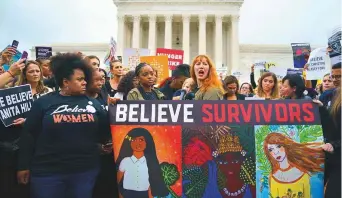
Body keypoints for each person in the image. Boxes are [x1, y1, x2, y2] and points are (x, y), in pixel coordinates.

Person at [17, 53, 111, 198]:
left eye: (85, 79)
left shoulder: (94, 104)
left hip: (84, 171)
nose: (85, 82)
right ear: (66, 82)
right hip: (47, 172)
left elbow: (105, 132)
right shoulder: (43, 103)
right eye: (79, 79)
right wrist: (23, 165)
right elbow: (29, 134)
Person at [264, 133, 324, 198]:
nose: (276, 152)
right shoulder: (273, 177)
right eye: (271, 150)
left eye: (278, 146)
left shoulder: (302, 174)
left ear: (285, 146)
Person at [116, 128, 169, 198]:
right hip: (127, 193)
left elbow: (151, 182)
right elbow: (118, 180)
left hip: (144, 194)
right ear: (129, 142)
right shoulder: (125, 161)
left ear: (147, 142)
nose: (137, 143)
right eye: (134, 140)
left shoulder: (150, 162)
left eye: (141, 140)